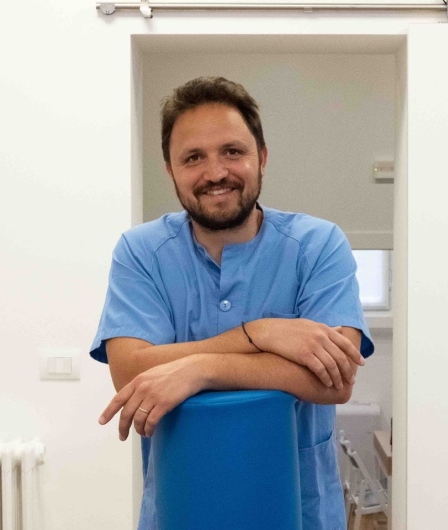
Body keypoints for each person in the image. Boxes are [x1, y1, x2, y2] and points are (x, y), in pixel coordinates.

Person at [91, 76, 374, 530]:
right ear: (170, 170)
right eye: (193, 157)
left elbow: (336, 379)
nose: (215, 172)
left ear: (261, 157)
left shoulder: (318, 245)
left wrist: (200, 368)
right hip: (182, 505)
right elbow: (129, 371)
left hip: (299, 509)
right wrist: (259, 335)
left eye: (232, 151)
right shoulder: (141, 252)